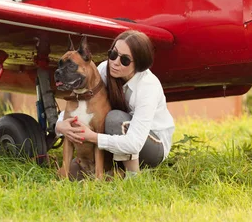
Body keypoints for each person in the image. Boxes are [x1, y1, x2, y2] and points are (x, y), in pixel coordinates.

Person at [55, 30, 175, 176]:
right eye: (113, 54)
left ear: (139, 64)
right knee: (77, 174)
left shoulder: (148, 86)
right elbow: (77, 105)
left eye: (124, 60)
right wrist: (60, 125)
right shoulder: (104, 70)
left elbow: (134, 143)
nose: (115, 62)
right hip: (117, 138)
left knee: (114, 119)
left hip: (152, 146)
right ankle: (112, 171)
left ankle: (133, 178)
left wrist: (92, 137)